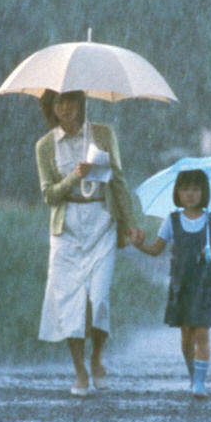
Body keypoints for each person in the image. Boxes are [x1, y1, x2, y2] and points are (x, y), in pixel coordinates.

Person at [35, 89, 140, 397]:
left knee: (99, 297)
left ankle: (97, 356)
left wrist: (128, 224)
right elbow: (49, 195)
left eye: (71, 101)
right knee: (69, 302)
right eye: (59, 103)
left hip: (101, 222)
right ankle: (79, 368)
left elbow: (117, 181)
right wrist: (73, 177)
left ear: (81, 104)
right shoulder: (45, 146)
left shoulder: (103, 135)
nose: (66, 108)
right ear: (51, 108)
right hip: (66, 229)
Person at [129, 169, 211, 399]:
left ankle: (200, 384)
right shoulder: (172, 221)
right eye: (185, 189)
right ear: (177, 192)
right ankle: (193, 373)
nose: (190, 194)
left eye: (195, 189)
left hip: (205, 284)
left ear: (203, 192)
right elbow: (156, 249)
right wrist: (138, 245)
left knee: (202, 332)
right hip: (182, 284)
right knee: (186, 336)